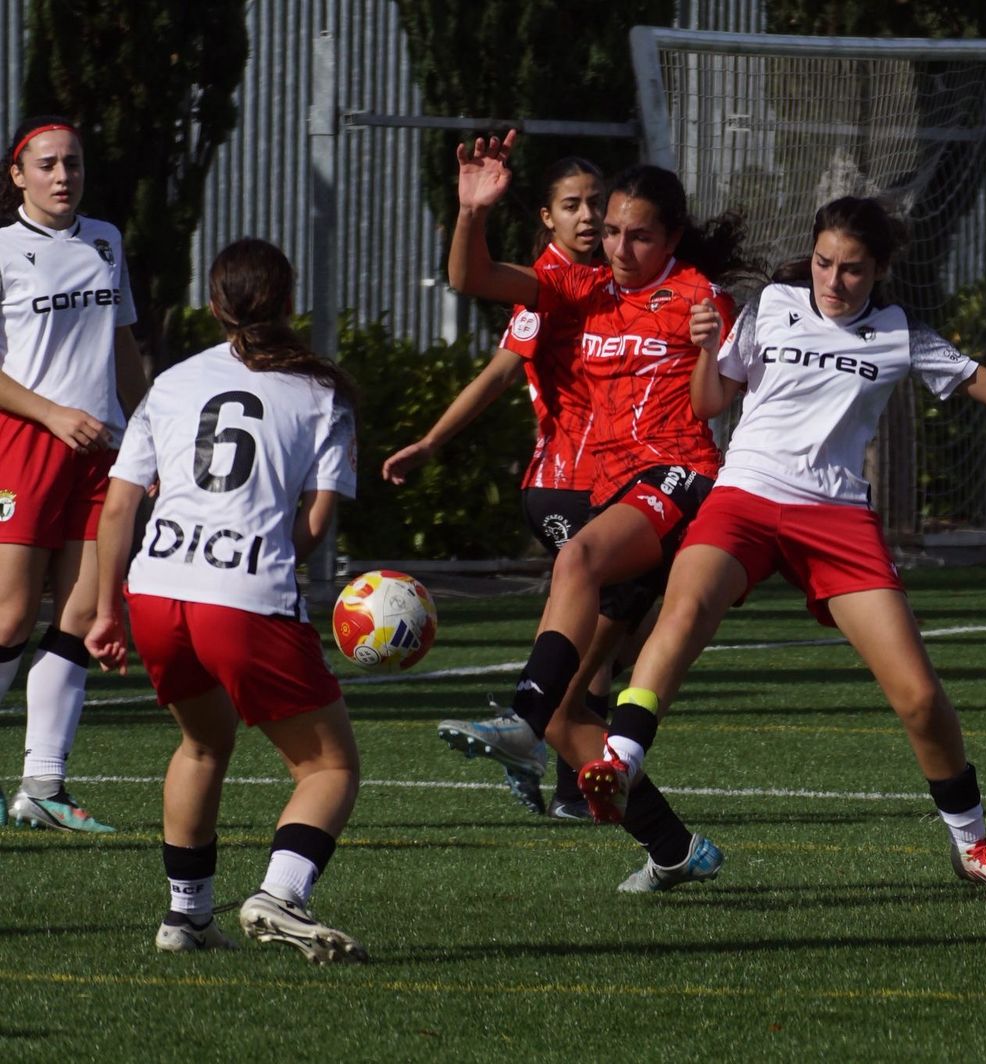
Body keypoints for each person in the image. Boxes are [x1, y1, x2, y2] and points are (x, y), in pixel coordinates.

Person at [576, 197, 986, 902]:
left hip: (835, 517)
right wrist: (706, 349)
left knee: (920, 697)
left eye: (852, 270)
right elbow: (711, 404)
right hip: (745, 495)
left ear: (881, 270)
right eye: (824, 263)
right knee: (682, 613)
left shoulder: (902, 333)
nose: (833, 281)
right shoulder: (772, 304)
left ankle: (972, 846)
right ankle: (620, 761)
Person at [448, 130, 748, 889]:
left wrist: (714, 348)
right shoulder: (582, 289)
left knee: (575, 565)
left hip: (680, 480)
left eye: (638, 234)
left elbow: (718, 403)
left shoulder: (700, 299)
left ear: (672, 237)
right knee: (568, 712)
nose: (618, 246)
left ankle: (519, 717)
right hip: (611, 499)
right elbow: (473, 276)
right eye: (610, 230)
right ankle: (673, 848)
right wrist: (471, 212)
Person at [85, 238, 367, 962]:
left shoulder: (170, 382)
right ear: (289, 301)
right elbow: (316, 516)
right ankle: (280, 893)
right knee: (329, 767)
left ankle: (186, 918)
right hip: (242, 596)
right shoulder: (322, 390)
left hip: (156, 591)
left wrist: (108, 610)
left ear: (213, 307)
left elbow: (119, 508)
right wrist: (269, 562)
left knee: (203, 742)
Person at [382, 155, 646, 821]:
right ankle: (550, 755)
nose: (587, 216)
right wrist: (434, 442)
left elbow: (501, 368)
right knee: (591, 645)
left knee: (612, 647)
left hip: (609, 488)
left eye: (596, 203)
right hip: (567, 489)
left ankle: (564, 779)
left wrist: (434, 441)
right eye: (572, 204)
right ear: (547, 217)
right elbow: (482, 312)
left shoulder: (600, 280)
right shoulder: (551, 281)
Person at [0, 115, 145, 832]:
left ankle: (43, 787)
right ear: (18, 176)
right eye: (49, 165)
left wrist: (148, 429)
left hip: (103, 450)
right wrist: (53, 414)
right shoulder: (0, 252)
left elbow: (122, 348)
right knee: (10, 616)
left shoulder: (105, 242)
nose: (64, 177)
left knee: (84, 615)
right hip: (23, 445)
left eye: (75, 164)